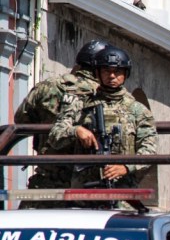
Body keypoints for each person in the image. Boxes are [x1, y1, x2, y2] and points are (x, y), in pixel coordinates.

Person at [46, 46, 158, 189]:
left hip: (122, 192)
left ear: (125, 74)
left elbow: (149, 149)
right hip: (84, 192)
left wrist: (126, 167)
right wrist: (76, 131)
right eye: (106, 71)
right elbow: (55, 135)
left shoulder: (138, 110)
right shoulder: (80, 105)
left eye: (117, 71)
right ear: (97, 73)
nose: (111, 76)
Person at [16, 39, 107, 192]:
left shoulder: (48, 86)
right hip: (88, 181)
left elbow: (21, 119)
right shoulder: (104, 93)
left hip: (47, 177)